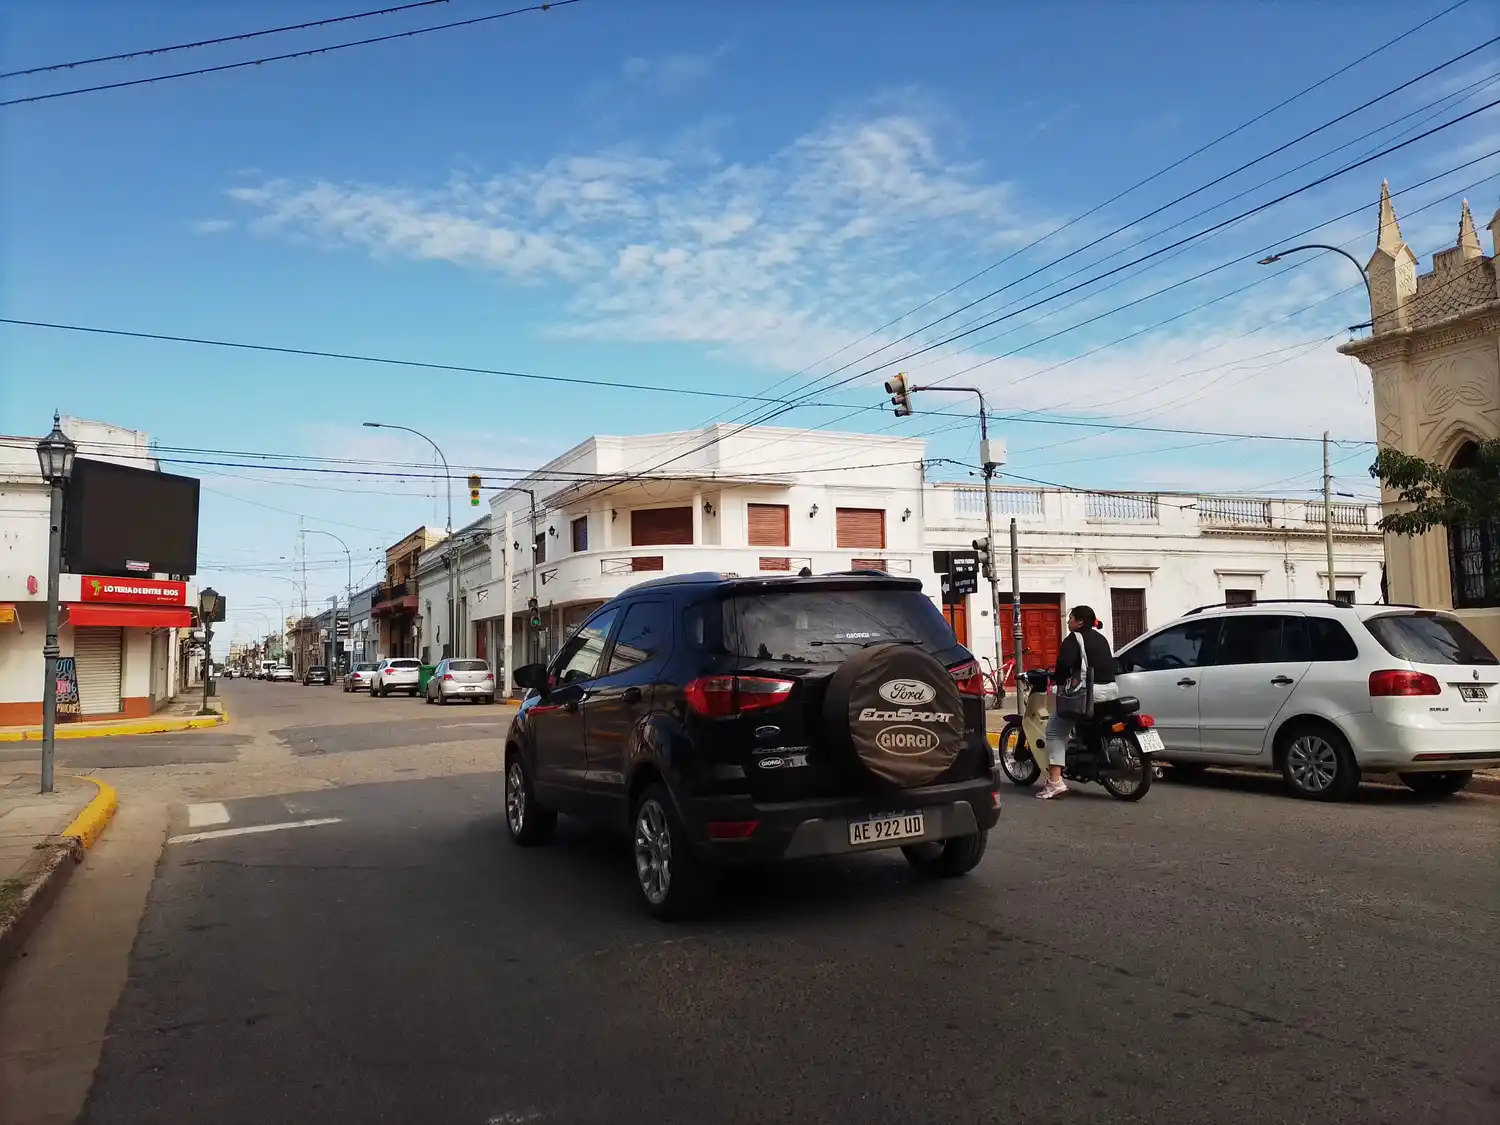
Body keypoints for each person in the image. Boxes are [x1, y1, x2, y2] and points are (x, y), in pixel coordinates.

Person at [1038, 605, 1117, 799]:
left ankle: (1055, 782)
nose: (1068, 621)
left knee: (1055, 730)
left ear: (1079, 621)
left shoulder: (1074, 639)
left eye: (1071, 618)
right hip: (1111, 690)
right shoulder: (1101, 638)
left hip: (1088, 692)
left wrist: (1057, 679)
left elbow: (1063, 665)